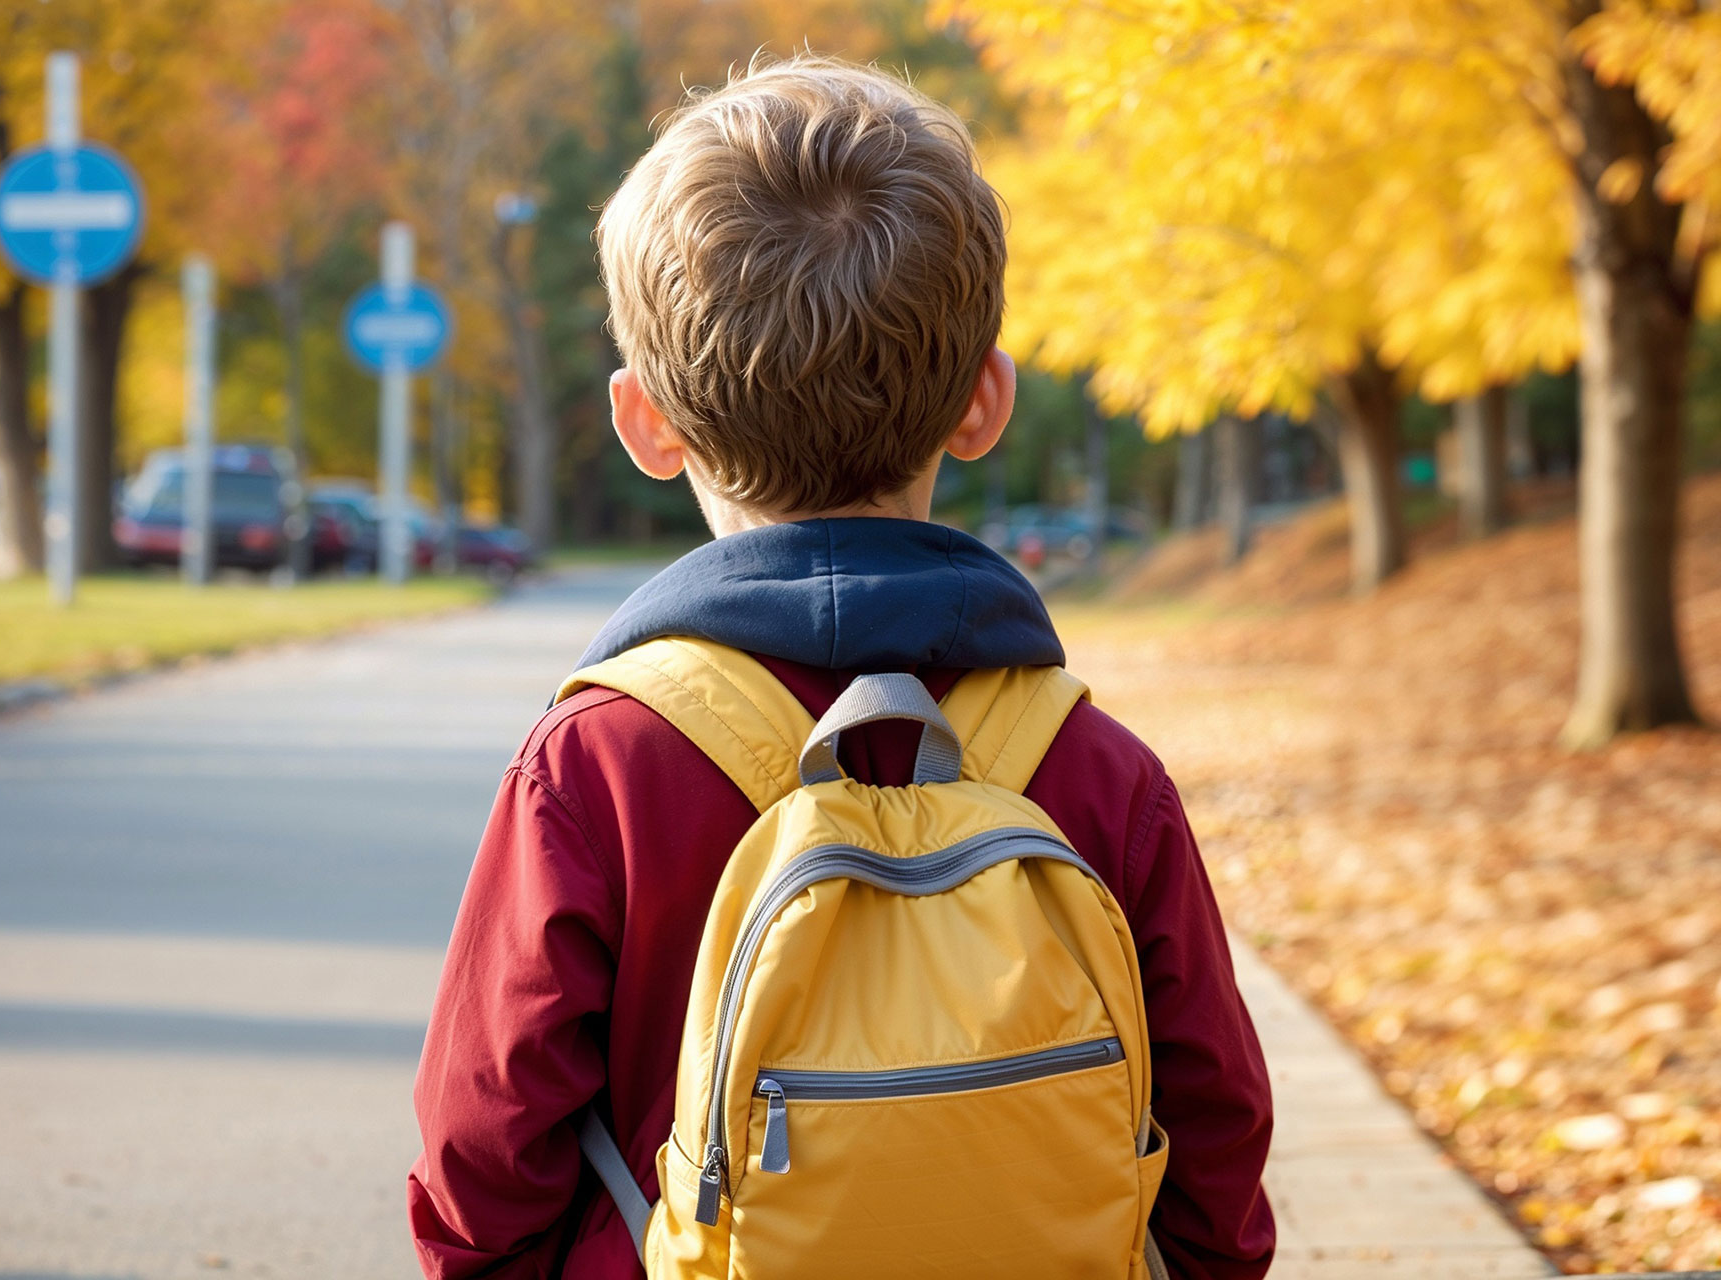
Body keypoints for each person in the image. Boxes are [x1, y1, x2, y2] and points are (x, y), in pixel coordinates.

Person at [407, 54, 1275, 1279]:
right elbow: (1219, 1153)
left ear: (643, 419)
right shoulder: (1090, 767)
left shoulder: (600, 762)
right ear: (986, 403)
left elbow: (482, 1156)